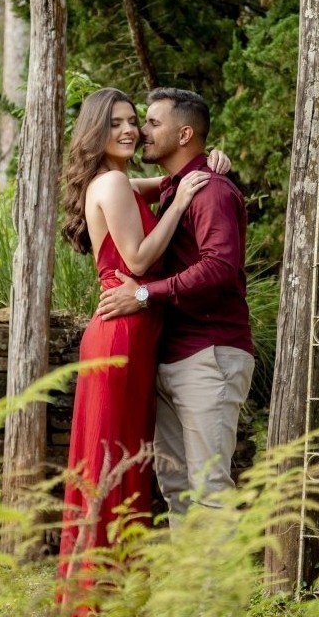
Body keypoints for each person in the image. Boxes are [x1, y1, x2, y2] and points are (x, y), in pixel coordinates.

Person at [55, 87, 230, 608]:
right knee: (112, 460)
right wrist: (180, 204)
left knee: (122, 459)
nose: (130, 130)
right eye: (116, 124)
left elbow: (169, 180)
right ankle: (99, 595)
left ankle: (113, 588)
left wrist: (211, 163)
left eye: (134, 120)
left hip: (133, 335)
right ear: (95, 131)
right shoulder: (111, 182)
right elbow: (135, 261)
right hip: (122, 332)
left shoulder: (119, 181)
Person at [97, 87, 255, 519]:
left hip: (209, 355)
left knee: (209, 486)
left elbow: (219, 268)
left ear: (184, 134)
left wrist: (144, 294)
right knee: (177, 489)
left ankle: (225, 569)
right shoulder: (174, 188)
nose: (141, 131)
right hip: (170, 355)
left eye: (152, 123)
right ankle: (189, 568)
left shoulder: (211, 191)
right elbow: (113, 187)